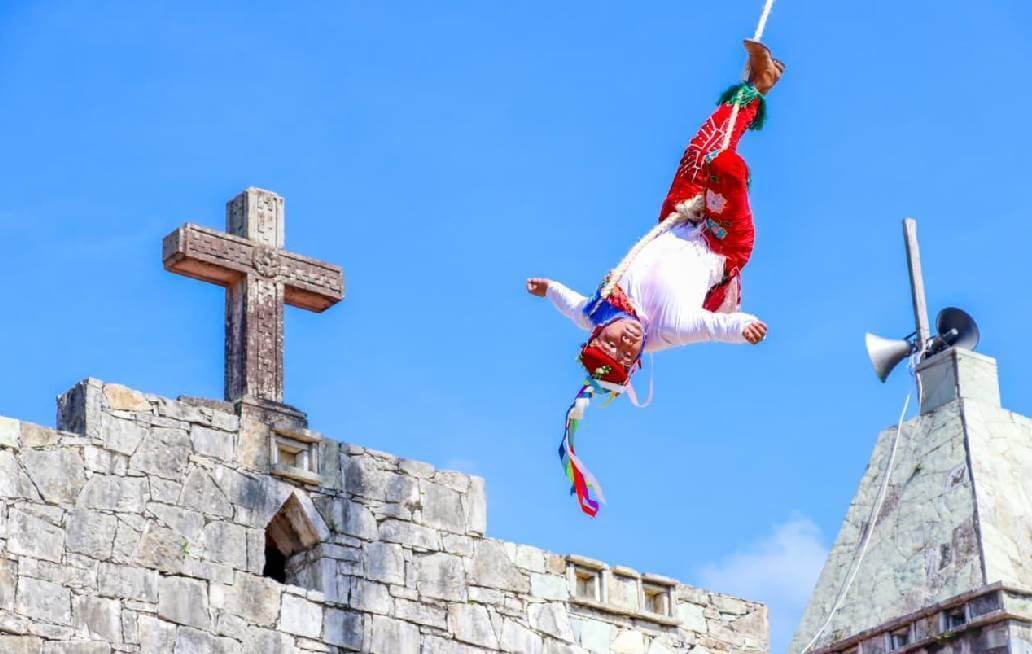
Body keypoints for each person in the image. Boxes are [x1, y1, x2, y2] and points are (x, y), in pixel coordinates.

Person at [528, 40, 785, 516]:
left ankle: (757, 84)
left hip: (677, 217)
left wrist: (547, 290)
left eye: (613, 344)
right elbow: (712, 328)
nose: (626, 342)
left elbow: (568, 302)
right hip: (719, 243)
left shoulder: (598, 311)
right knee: (725, 168)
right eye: (629, 352)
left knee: (701, 151)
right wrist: (743, 326)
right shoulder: (667, 328)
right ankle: (740, 137)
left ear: (599, 334)